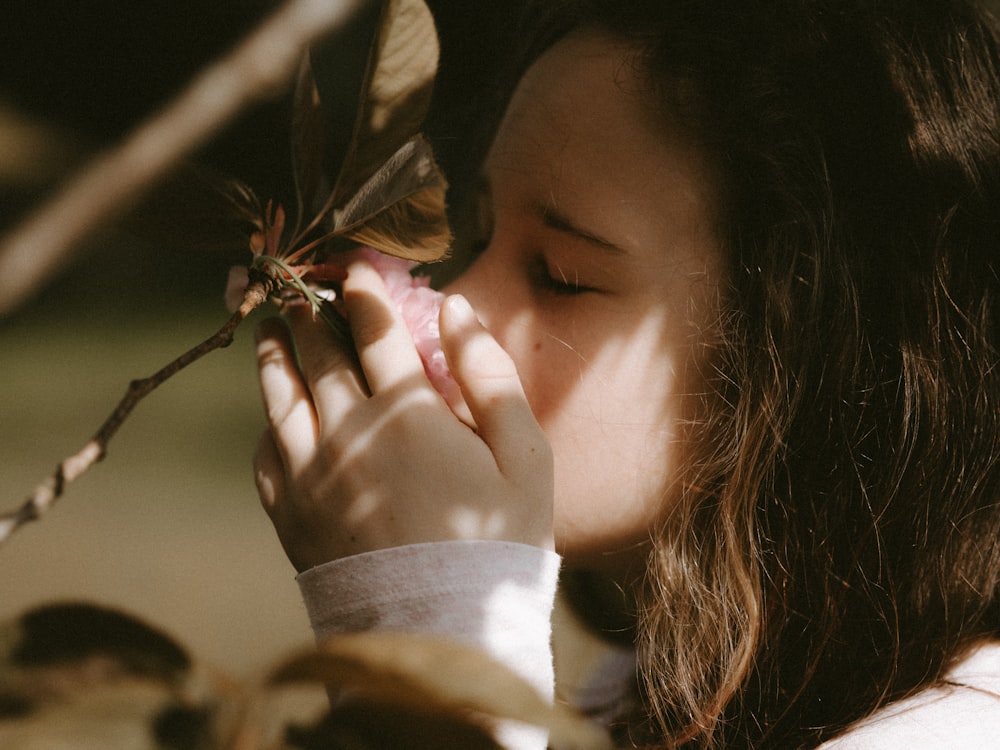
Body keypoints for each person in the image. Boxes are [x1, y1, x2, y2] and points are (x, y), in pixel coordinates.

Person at [252, 0, 1000, 747]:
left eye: (560, 275)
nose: (463, 301)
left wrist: (427, 614)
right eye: (478, 235)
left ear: (811, 363)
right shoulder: (641, 694)